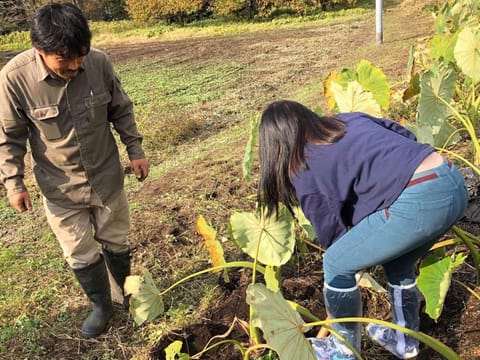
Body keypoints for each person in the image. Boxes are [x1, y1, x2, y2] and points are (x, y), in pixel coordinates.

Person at [257, 100, 468, 359]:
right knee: (399, 264)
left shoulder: (306, 169)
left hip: (421, 200)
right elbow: (406, 138)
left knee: (336, 264)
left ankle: (343, 352)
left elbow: (335, 240)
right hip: (451, 180)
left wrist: (351, 259)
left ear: (275, 147)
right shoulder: (348, 119)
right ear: (307, 118)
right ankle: (404, 341)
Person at [0, 3, 149, 338]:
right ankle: (101, 306)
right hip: (61, 188)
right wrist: (14, 183)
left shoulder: (99, 63)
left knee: (116, 238)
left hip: (107, 177)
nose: (75, 65)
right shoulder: (13, 79)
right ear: (41, 51)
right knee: (79, 250)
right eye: (64, 59)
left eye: (80, 55)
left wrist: (135, 150)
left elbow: (121, 109)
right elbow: (8, 138)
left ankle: (122, 292)